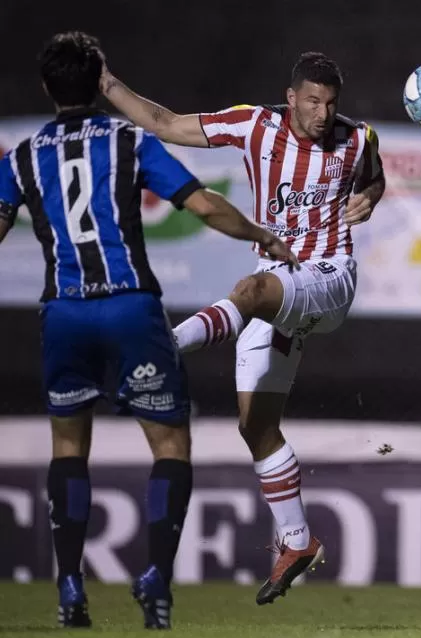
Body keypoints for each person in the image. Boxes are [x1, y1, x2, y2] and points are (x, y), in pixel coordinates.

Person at [0, 32, 295, 629]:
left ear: (46, 87)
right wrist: (262, 235)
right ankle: (156, 580)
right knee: (169, 445)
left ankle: (69, 588)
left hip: (64, 312)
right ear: (97, 76)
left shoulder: (21, 157)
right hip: (131, 308)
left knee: (68, 448)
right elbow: (204, 205)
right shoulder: (126, 140)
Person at [100, 50, 385, 604]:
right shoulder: (254, 124)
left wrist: (368, 199)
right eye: (312, 102)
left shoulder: (358, 138)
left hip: (328, 277)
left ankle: (158, 351)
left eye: (330, 103)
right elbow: (165, 123)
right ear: (291, 97)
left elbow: (373, 179)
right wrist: (106, 82)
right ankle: (298, 541)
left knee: (249, 292)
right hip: (278, 277)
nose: (323, 114)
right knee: (255, 426)